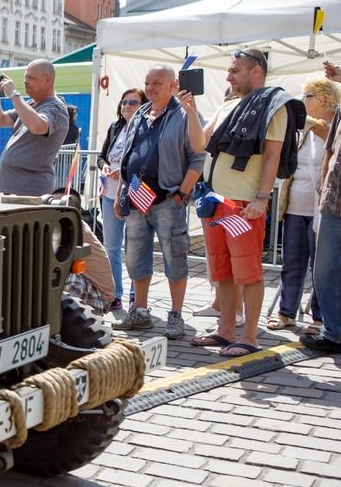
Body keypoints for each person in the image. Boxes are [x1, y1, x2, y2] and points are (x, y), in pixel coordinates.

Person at [183, 49, 306, 356]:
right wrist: (190, 110)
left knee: (248, 272)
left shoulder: (274, 105)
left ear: (256, 71)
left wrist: (262, 198)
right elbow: (199, 144)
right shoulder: (228, 105)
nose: (228, 76)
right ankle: (226, 330)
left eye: (234, 70)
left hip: (243, 204)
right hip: (215, 201)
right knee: (223, 271)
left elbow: (273, 156)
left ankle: (249, 337)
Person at [113, 64, 204, 340]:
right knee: (135, 257)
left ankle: (175, 316)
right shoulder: (140, 113)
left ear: (173, 85)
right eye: (148, 83)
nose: (150, 88)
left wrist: (181, 195)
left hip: (167, 199)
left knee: (174, 257)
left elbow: (198, 158)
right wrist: (121, 193)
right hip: (137, 198)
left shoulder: (185, 114)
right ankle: (140, 312)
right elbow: (127, 156)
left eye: (157, 83)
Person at [270, 77, 338, 333]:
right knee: (292, 261)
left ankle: (319, 318)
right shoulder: (301, 128)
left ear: (322, 99)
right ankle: (286, 312)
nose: (302, 102)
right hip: (295, 204)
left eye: (307, 96)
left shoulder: (335, 127)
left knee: (322, 266)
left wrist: (321, 130)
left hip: (325, 208)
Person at [0, 59, 70, 196]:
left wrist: (14, 95)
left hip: (31, 191)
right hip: (15, 190)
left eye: (31, 78)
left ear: (48, 80)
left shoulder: (56, 108)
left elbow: (38, 126)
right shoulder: (31, 104)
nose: (25, 82)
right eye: (25, 77)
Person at [97, 88, 147, 310]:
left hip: (136, 193)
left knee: (136, 247)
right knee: (112, 247)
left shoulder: (146, 129)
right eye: (124, 101)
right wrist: (106, 166)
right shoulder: (115, 126)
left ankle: (138, 297)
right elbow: (101, 157)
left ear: (143, 106)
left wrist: (125, 173)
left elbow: (146, 161)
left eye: (133, 102)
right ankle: (115, 294)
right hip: (109, 193)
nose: (126, 106)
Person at [303, 60, 341, 352]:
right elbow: (329, 150)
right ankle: (334, 332)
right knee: (324, 271)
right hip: (333, 205)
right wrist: (324, 184)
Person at [54, 189, 115, 314]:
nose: (54, 209)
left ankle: (54, 317)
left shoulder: (75, 229)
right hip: (90, 288)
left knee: (66, 279)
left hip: (100, 297)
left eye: (60, 205)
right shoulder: (61, 226)